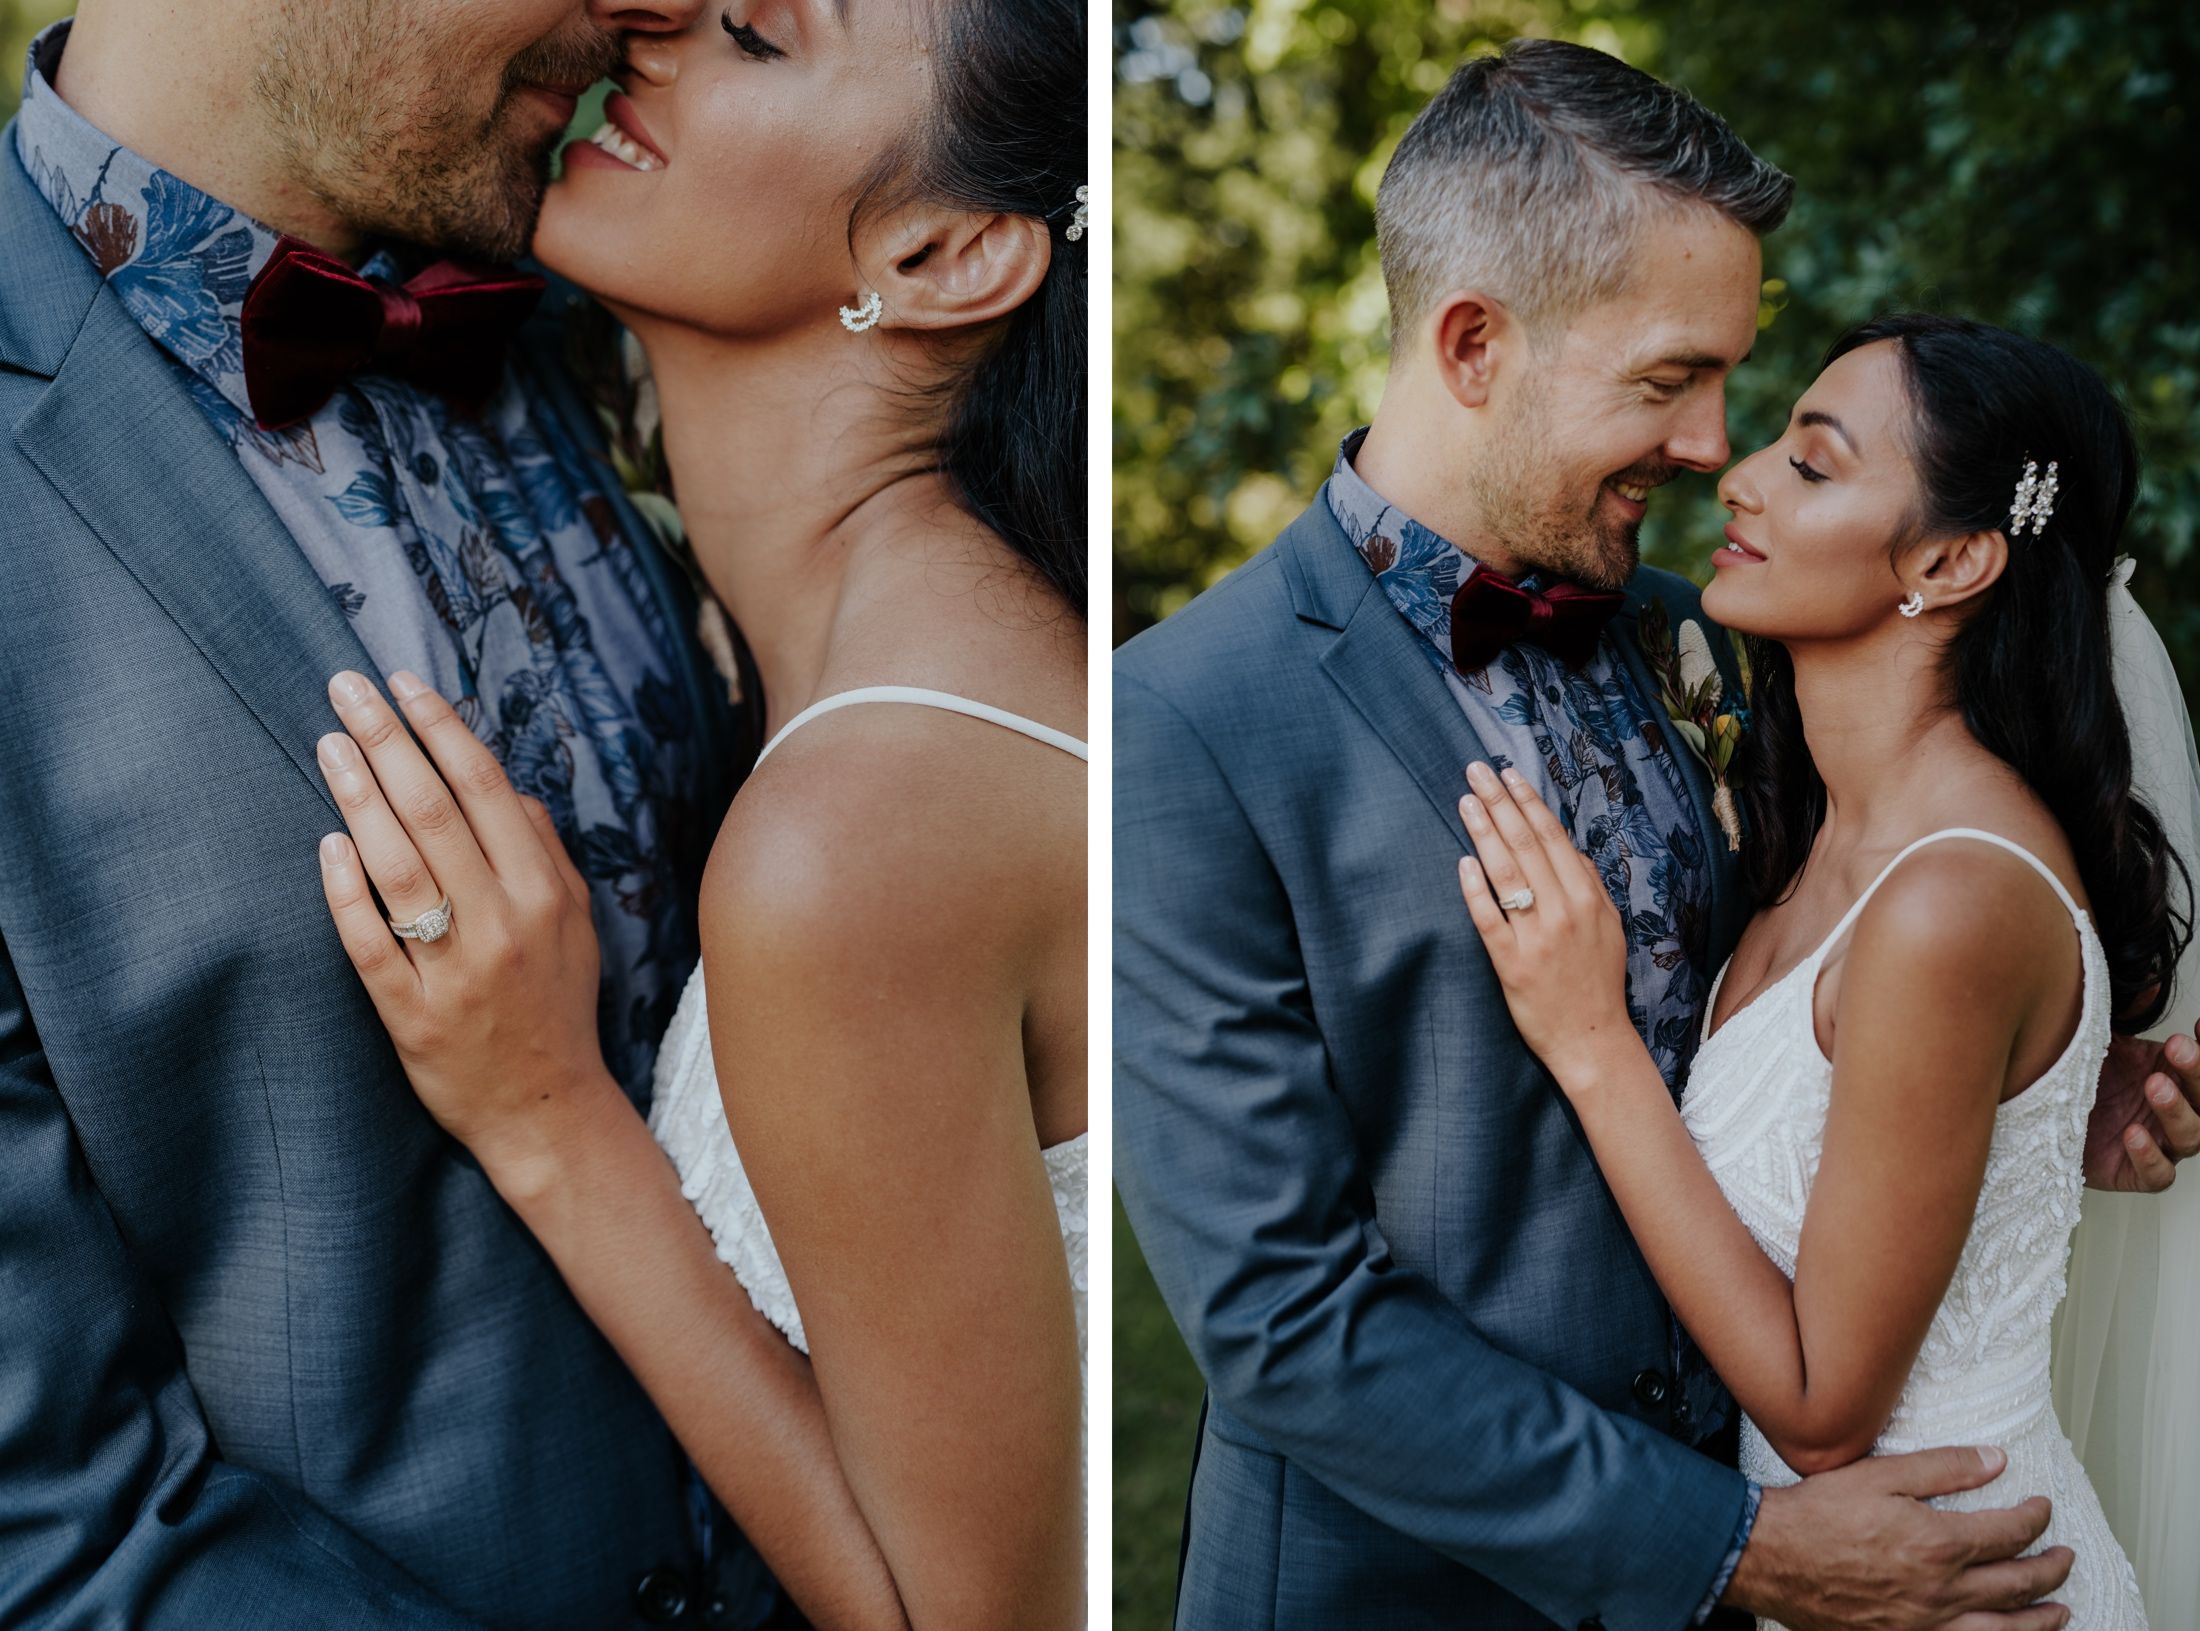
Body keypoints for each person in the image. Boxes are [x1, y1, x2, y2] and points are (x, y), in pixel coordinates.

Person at [1113, 40, 2200, 1631]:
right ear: (1476, 343)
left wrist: (2021, 1105)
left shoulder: (1721, 647)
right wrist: (1731, 1550)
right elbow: (1282, 1320)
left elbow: (1868, 986)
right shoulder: (1189, 721)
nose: (1711, 448)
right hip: (1418, 1595)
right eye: (1669, 379)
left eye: (1735, 385)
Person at [304, 3, 1090, 1628]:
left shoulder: (865, 823)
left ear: (946, 255)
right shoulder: (852, 667)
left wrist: (548, 1121)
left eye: (750, 33)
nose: (652, 25)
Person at [1457, 314, 2175, 1629]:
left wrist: (1592, 1041)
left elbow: (1823, 1405)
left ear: (1951, 560)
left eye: (1814, 463)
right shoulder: (1827, 835)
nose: (1737, 476)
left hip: (1967, 1581)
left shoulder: (1948, 900)